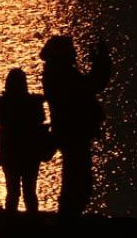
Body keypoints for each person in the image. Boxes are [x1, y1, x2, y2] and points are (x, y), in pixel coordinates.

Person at [40, 36, 111, 218]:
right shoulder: (62, 74)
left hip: (69, 132)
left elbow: (90, 86)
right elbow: (91, 85)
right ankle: (68, 220)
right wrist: (102, 62)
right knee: (78, 181)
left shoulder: (57, 72)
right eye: (70, 50)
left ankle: (69, 218)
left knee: (76, 179)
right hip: (73, 133)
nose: (74, 53)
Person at [0, 68, 49, 215]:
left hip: (9, 150)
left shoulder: (1, 103)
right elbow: (41, 119)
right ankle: (33, 222)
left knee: (12, 190)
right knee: (30, 190)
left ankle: (10, 222)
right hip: (30, 151)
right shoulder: (34, 103)